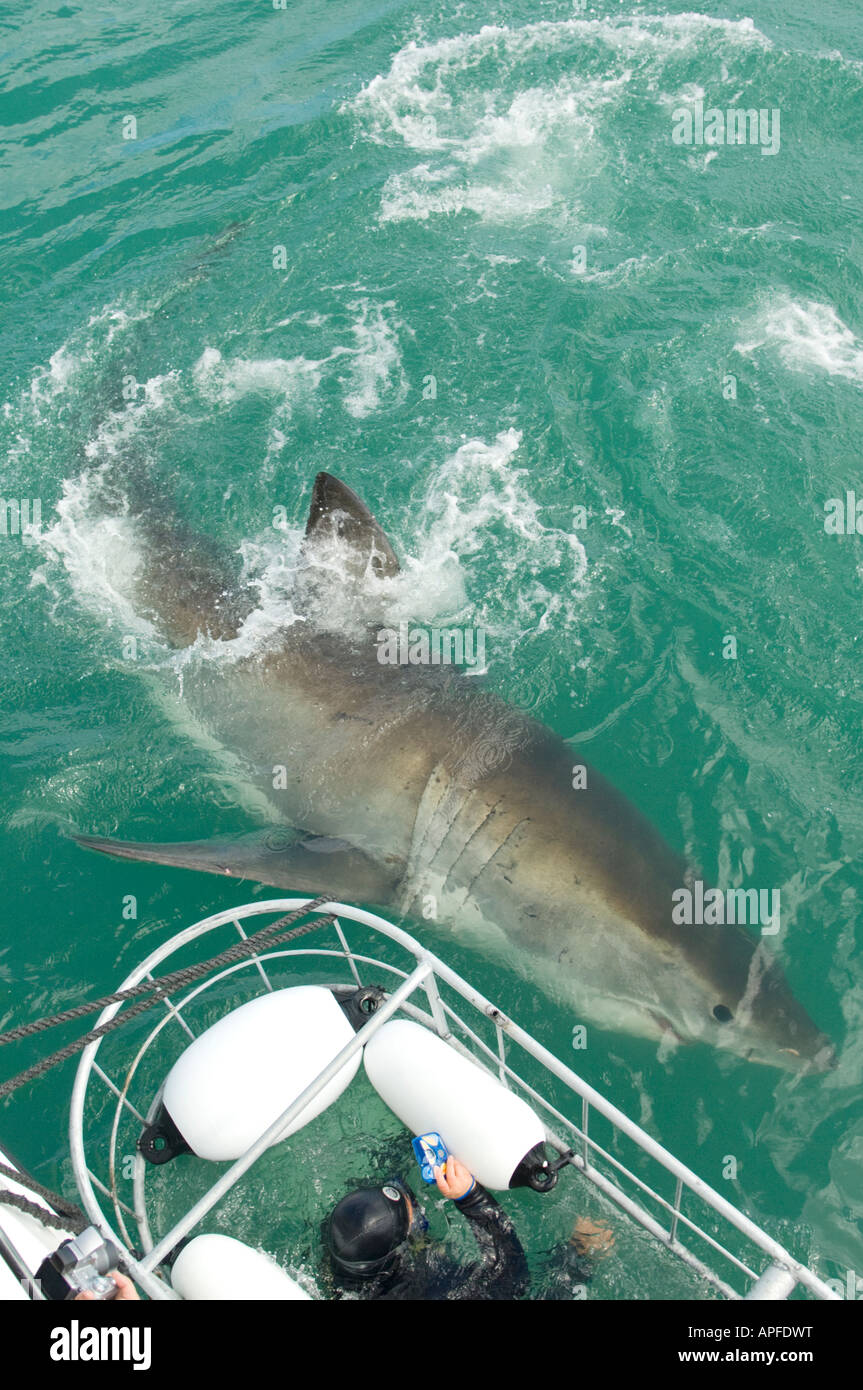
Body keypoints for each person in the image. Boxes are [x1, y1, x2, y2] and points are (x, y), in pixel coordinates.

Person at [327, 1154, 528, 1300]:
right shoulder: (434, 1287)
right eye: (416, 1221)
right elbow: (513, 1276)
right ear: (400, 1249)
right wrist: (471, 1197)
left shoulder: (342, 1242)